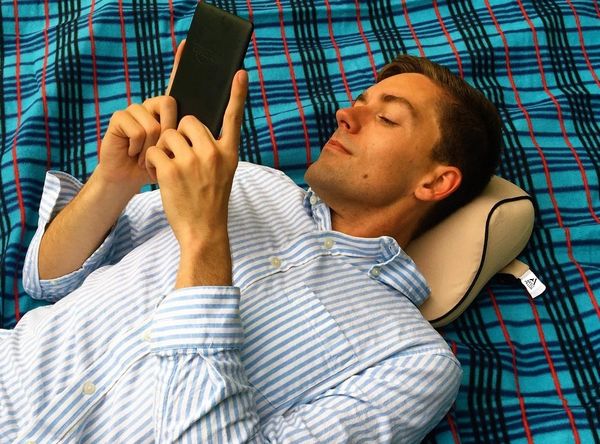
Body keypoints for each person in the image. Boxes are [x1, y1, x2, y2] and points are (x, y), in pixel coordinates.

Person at [0, 41, 502, 443]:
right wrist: (113, 182)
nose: (346, 115)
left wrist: (204, 240)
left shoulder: (413, 362)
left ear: (436, 183)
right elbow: (46, 279)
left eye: (387, 118)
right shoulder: (245, 180)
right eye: (359, 101)